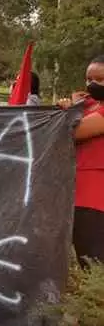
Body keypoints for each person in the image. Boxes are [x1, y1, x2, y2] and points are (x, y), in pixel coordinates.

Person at [57, 55, 104, 267]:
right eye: (88, 79)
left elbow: (75, 131)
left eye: (100, 79)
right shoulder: (90, 105)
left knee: (94, 260)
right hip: (78, 192)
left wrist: (73, 109)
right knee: (84, 256)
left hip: (96, 197)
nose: (92, 84)